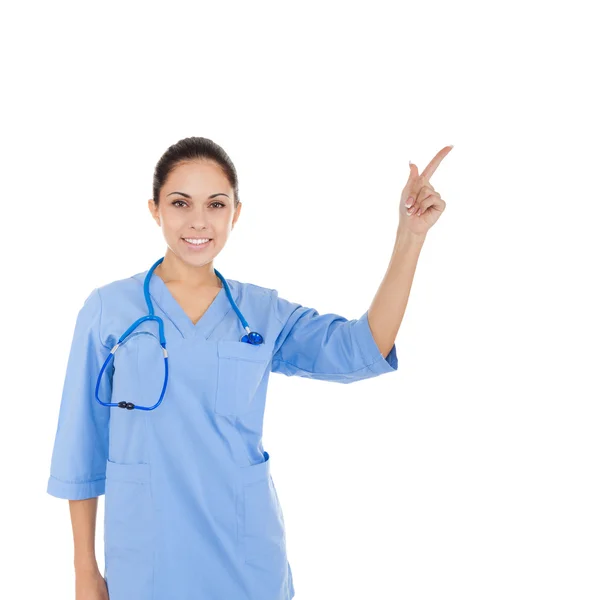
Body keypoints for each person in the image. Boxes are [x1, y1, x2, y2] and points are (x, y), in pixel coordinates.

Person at [46, 136, 452, 600]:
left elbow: (360, 348)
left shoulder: (261, 313)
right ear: (155, 209)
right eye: (181, 203)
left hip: (246, 556)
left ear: (235, 213)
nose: (198, 221)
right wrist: (84, 569)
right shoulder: (108, 309)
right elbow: (81, 444)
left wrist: (410, 237)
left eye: (216, 204)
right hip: (147, 556)